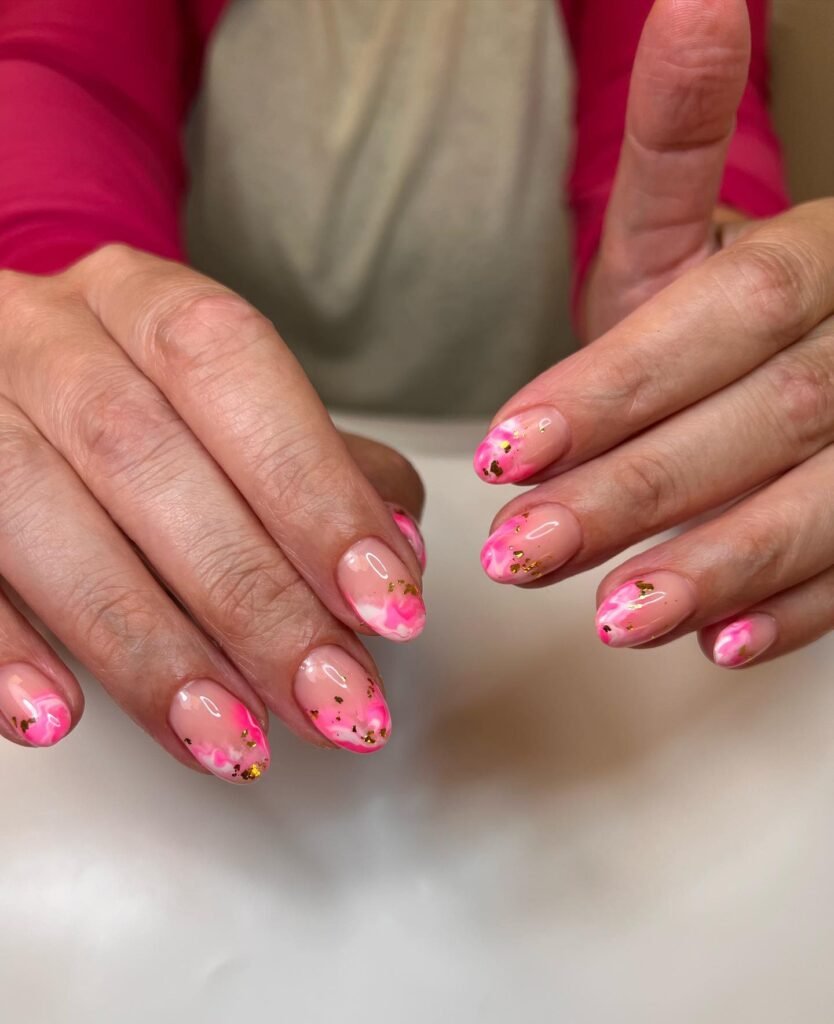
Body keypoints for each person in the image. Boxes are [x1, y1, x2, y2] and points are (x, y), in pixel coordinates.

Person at [0, 0, 827, 783]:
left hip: (559, 615)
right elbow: (57, 92)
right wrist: (69, 349)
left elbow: (690, 151)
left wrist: (721, 320)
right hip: (176, 540)